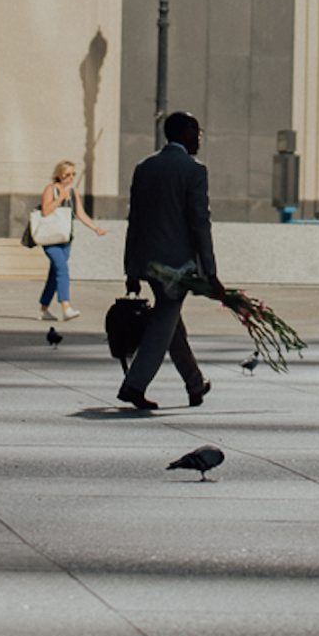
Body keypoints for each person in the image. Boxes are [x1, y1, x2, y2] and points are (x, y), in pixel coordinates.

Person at [118, 110, 221, 411]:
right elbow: (200, 223)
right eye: (197, 132)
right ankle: (134, 385)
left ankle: (195, 383)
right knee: (165, 318)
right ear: (186, 133)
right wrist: (211, 272)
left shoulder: (145, 167)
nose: (199, 138)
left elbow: (134, 220)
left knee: (171, 321)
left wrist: (131, 267)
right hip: (176, 266)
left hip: (147, 260)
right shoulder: (193, 170)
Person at [36, 159, 105, 322]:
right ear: (59, 175)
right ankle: (66, 307)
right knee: (62, 269)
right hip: (50, 239)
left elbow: (80, 213)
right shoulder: (51, 189)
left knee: (55, 274)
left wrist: (95, 228)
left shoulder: (73, 192)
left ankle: (43, 309)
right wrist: (60, 198)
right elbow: (45, 211)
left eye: (73, 174)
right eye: (67, 174)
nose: (71, 177)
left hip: (65, 238)